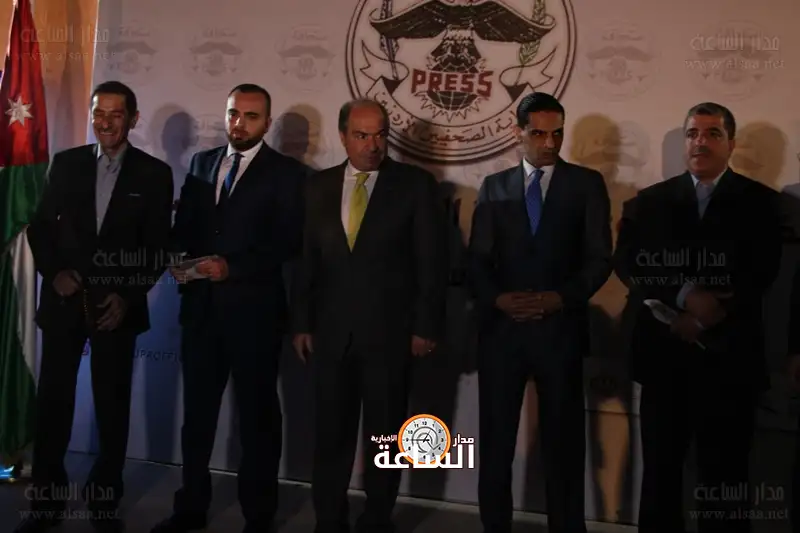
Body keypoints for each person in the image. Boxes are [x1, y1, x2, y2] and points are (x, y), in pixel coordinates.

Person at [614, 102, 783, 533]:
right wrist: (685, 297)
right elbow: (630, 263)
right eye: (692, 134)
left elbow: (762, 272)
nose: (700, 142)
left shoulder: (763, 204)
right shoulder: (649, 202)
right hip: (664, 360)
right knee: (660, 477)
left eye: (712, 134)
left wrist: (707, 318)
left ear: (731, 143)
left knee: (725, 478)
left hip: (730, 365)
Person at [16, 80, 174, 533]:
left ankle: (104, 504)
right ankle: (46, 505)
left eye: (115, 114)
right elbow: (40, 227)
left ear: (133, 119)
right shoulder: (67, 164)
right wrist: (54, 273)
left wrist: (128, 296)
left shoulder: (154, 174)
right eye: (98, 113)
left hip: (115, 308)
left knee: (112, 408)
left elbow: (156, 249)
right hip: (64, 303)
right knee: (53, 407)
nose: (105, 122)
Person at [149, 84, 306, 533]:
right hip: (201, 312)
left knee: (258, 419)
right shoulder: (203, 162)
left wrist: (231, 267)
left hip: (255, 315)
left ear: (267, 124)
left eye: (251, 116)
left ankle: (259, 516)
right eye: (234, 113)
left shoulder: (288, 174)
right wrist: (177, 258)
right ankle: (191, 508)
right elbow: (186, 226)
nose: (239, 123)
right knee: (197, 418)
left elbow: (288, 242)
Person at [290, 98, 448, 533]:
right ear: (343, 136)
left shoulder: (415, 186)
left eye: (380, 135)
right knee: (331, 437)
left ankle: (377, 520)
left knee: (385, 440)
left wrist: (426, 326)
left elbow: (432, 263)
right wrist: (301, 322)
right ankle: (329, 521)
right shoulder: (318, 187)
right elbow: (306, 261)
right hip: (330, 336)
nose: (373, 145)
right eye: (362, 135)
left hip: (391, 337)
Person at [468, 91, 612, 533]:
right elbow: (477, 261)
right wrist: (498, 300)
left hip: (560, 331)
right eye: (538, 134)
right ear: (518, 132)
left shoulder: (586, 184)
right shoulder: (494, 187)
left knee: (563, 446)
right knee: (496, 444)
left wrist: (559, 298)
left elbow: (599, 259)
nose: (549, 143)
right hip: (503, 334)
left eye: (557, 134)